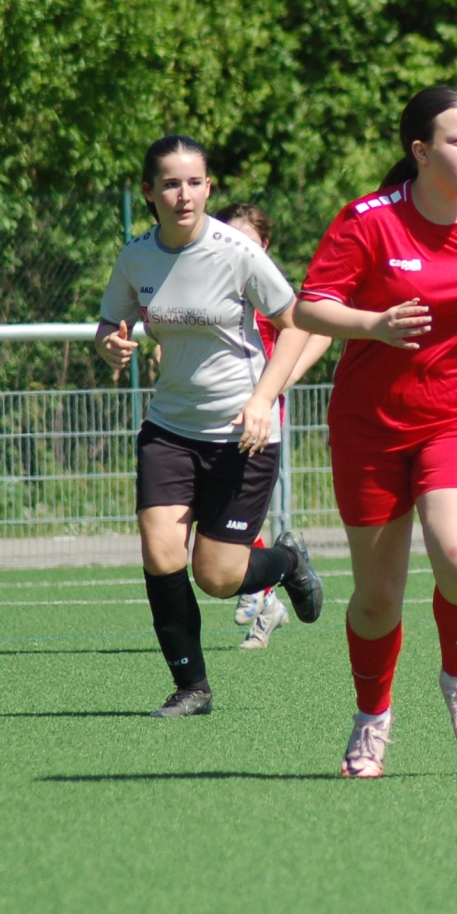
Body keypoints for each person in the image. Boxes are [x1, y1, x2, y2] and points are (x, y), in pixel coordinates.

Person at [292, 86, 457, 779]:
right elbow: (309, 308)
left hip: (456, 415)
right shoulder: (368, 221)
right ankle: (372, 719)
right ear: (420, 151)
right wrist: (374, 324)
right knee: (375, 599)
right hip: (369, 426)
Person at [97, 136, 327, 717]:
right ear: (149, 192)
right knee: (161, 553)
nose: (184, 195)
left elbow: (296, 323)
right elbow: (109, 322)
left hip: (241, 433)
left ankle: (289, 561)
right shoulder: (136, 256)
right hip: (169, 429)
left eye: (195, 183)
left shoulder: (236, 251)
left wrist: (262, 400)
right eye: (171, 184)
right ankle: (191, 687)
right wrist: (109, 344)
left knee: (219, 577)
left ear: (208, 188)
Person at [213, 202, 338, 646]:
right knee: (210, 516)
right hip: (208, 417)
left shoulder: (269, 289)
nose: (237, 249)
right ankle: (267, 598)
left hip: (257, 420)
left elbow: (317, 329)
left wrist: (279, 384)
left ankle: (263, 591)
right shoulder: (211, 284)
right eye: (227, 239)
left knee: (236, 518)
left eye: (247, 240)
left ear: (264, 245)